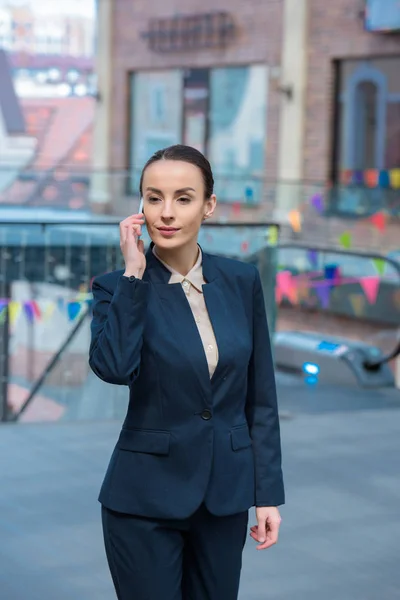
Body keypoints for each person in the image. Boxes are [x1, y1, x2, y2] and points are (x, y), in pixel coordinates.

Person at [89, 144, 285, 600]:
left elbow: (261, 396)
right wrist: (134, 275)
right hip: (143, 501)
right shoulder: (116, 288)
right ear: (139, 205)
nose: (166, 213)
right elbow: (114, 367)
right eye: (153, 198)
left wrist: (267, 493)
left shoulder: (241, 281)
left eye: (183, 197)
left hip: (225, 497)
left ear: (208, 205)